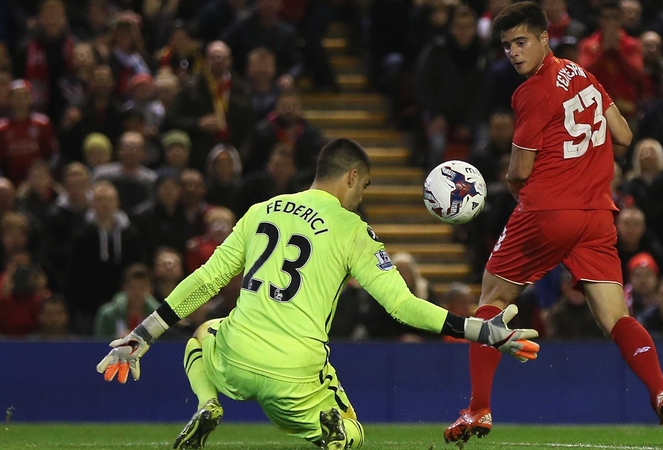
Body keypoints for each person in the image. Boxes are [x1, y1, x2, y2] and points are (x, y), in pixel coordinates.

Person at [95, 138, 540, 450]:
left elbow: (207, 280)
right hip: (295, 373)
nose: (362, 197)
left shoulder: (260, 211)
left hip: (235, 355)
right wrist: (480, 331)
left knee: (204, 332)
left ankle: (208, 403)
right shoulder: (353, 229)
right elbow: (403, 307)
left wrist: (142, 334)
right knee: (354, 433)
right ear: (351, 177)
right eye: (364, 186)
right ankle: (337, 433)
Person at [444, 3, 663, 447]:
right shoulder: (582, 73)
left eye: (521, 42)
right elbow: (624, 135)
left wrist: (513, 190)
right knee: (616, 317)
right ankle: (661, 393)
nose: (513, 52)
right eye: (507, 46)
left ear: (544, 38)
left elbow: (520, 171)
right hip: (596, 216)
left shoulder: (531, 92)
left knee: (493, 298)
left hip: (546, 211)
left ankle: (478, 408)